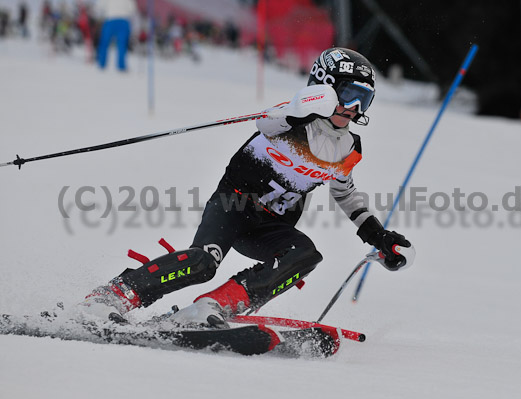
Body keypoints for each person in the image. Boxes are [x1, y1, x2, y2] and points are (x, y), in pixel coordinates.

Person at [82, 48, 416, 327]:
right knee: (203, 263)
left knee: (306, 255)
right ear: (326, 90)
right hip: (233, 206)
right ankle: (114, 295)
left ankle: (212, 308)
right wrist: (301, 111)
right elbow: (266, 122)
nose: (355, 109)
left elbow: (345, 193)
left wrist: (378, 236)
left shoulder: (348, 146)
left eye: (365, 100)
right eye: (349, 96)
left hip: (271, 227)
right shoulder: (292, 118)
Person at [95, 0, 137, 71]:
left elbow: (100, 8)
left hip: (110, 19)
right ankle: (121, 66)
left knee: (104, 42)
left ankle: (102, 64)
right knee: (122, 44)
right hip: (123, 20)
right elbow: (132, 9)